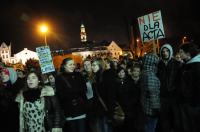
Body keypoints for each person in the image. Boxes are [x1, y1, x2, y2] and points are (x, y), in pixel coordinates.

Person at [55, 58, 88, 132]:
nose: (72, 66)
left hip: (81, 110)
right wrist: (75, 92)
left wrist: (70, 92)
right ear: (64, 66)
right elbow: (61, 95)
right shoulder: (59, 78)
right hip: (69, 111)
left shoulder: (79, 75)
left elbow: (84, 89)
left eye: (73, 64)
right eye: (70, 64)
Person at [157, 44, 181, 132]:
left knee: (176, 117)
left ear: (170, 51)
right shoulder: (159, 64)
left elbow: (179, 80)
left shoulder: (177, 64)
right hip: (163, 96)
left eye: (167, 51)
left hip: (174, 95)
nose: (165, 53)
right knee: (164, 117)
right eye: (163, 51)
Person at [177, 42, 200, 132]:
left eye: (181, 52)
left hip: (194, 104)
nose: (179, 54)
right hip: (187, 102)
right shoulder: (186, 65)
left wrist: (193, 101)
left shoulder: (196, 66)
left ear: (188, 53)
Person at [140, 53, 160, 132]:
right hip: (151, 109)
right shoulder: (151, 75)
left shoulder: (143, 73)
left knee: (147, 127)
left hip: (144, 106)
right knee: (151, 128)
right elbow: (153, 94)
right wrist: (156, 109)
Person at [0, 67, 19, 132]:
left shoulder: (15, 88)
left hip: (12, 118)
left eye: (5, 74)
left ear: (10, 75)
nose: (3, 76)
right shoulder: (1, 87)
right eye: (2, 74)